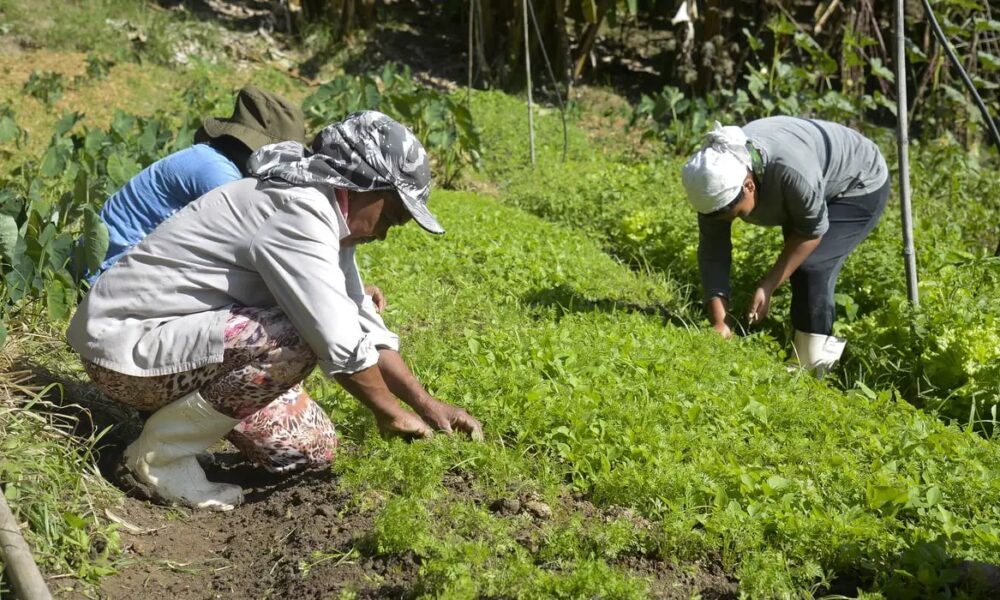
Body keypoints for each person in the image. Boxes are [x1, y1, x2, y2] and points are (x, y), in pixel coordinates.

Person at [67, 111, 483, 511]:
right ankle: (157, 460)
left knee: (308, 449)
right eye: (390, 216)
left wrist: (427, 405)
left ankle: (174, 434)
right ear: (359, 184)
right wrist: (390, 414)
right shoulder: (298, 211)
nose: (384, 233)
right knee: (297, 337)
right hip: (125, 351)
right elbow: (337, 340)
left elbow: (360, 319)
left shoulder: (326, 215)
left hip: (175, 348)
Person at [681, 117, 890, 375]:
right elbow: (713, 251)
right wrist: (720, 322)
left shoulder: (790, 171)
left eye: (735, 213)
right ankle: (803, 351)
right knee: (798, 264)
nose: (731, 220)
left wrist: (768, 285)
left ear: (749, 186)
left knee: (811, 267)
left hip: (857, 181)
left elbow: (811, 232)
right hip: (810, 180)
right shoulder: (713, 184)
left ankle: (812, 368)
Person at [85, 85, 307, 285]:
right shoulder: (216, 172)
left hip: (114, 266)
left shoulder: (212, 159)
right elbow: (249, 242)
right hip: (108, 275)